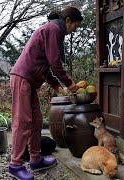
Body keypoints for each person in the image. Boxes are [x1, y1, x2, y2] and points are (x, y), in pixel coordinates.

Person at [8, 6, 83, 180]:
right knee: (22, 122)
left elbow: (45, 64)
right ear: (68, 21)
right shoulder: (54, 29)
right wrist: (70, 84)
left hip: (29, 81)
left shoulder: (52, 29)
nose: (74, 31)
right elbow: (55, 62)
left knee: (36, 120)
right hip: (22, 78)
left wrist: (56, 86)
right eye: (75, 26)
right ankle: (15, 164)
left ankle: (35, 159)